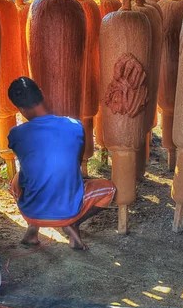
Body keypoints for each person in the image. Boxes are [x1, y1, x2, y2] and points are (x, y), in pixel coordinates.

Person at [7, 77, 116, 250]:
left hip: (30, 212)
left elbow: (31, 163)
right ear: (42, 94)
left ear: (19, 109)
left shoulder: (15, 134)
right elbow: (76, 165)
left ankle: (33, 230)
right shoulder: (75, 126)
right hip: (68, 212)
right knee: (109, 189)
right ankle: (73, 224)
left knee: (17, 178)